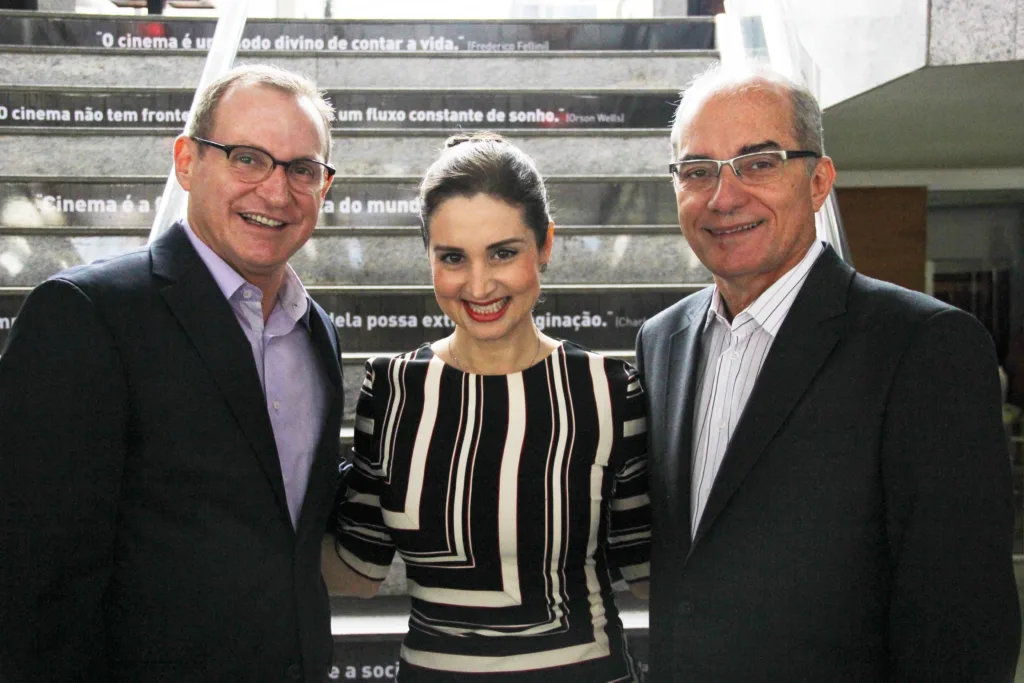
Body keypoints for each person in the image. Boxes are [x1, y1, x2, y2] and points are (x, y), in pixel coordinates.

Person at [635, 63, 1021, 682]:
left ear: (818, 181)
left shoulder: (924, 346)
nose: (723, 197)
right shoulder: (661, 341)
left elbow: (963, 617)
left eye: (759, 162)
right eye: (697, 171)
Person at [0, 65, 344, 682]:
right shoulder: (86, 315)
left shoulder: (315, 331)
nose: (275, 191)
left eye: (302, 168)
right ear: (187, 162)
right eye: (247, 158)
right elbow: (30, 579)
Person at [322, 132, 651, 682]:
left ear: (545, 244)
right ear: (428, 255)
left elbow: (649, 570)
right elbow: (357, 570)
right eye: (453, 257)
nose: (478, 284)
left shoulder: (610, 390)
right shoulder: (393, 388)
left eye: (503, 252)